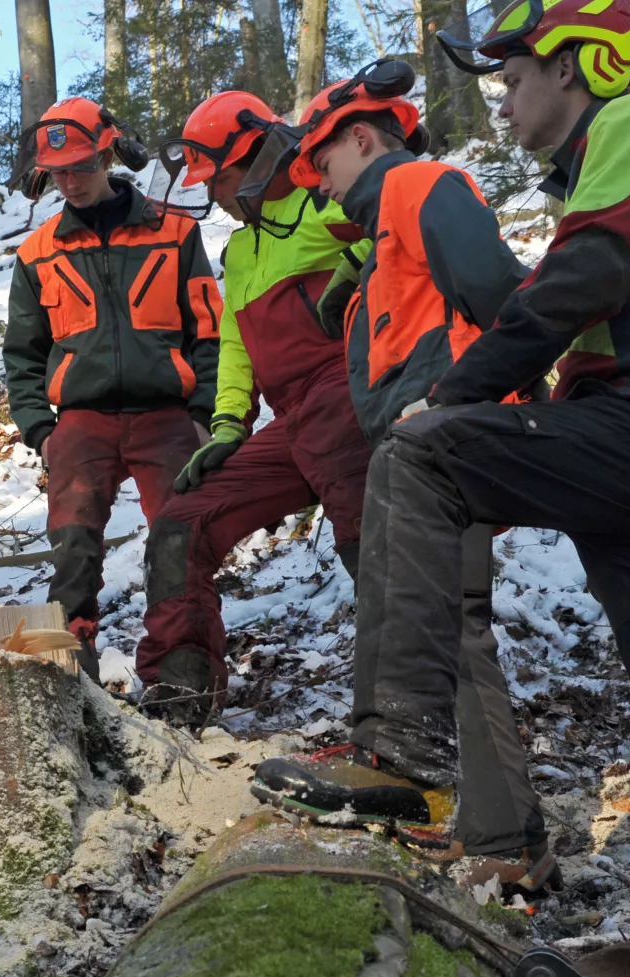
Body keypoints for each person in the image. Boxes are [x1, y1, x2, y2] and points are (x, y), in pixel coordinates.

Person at [257, 0, 630, 977]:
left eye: (515, 77)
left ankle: (399, 759)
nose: (505, 99)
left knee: (420, 455)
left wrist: (454, 393)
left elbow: (585, 278)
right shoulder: (616, 156)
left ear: (573, 68)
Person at [252, 65, 552, 889]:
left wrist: (484, 402)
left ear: (360, 137)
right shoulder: (378, 243)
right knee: (454, 629)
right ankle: (504, 831)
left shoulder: (422, 185)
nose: (318, 187)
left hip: (451, 441)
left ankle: (496, 838)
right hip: (421, 450)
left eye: (323, 166)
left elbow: (502, 295)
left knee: (453, 625)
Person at [131, 92, 372, 725]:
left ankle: (402, 723)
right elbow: (236, 344)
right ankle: (178, 691)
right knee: (183, 522)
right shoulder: (239, 251)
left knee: (375, 544)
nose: (215, 195)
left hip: (353, 393)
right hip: (293, 418)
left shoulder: (325, 203)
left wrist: (356, 260)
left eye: (222, 179)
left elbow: (408, 228)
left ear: (260, 155)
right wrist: (230, 424)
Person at [2, 97, 222, 680]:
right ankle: (72, 676)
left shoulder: (175, 234)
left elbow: (209, 332)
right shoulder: (37, 252)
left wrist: (203, 412)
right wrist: (40, 430)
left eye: (79, 167)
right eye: (57, 173)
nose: (69, 182)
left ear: (107, 155)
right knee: (72, 548)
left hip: (166, 411)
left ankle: (184, 675)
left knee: (180, 540)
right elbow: (21, 355)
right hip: (81, 420)